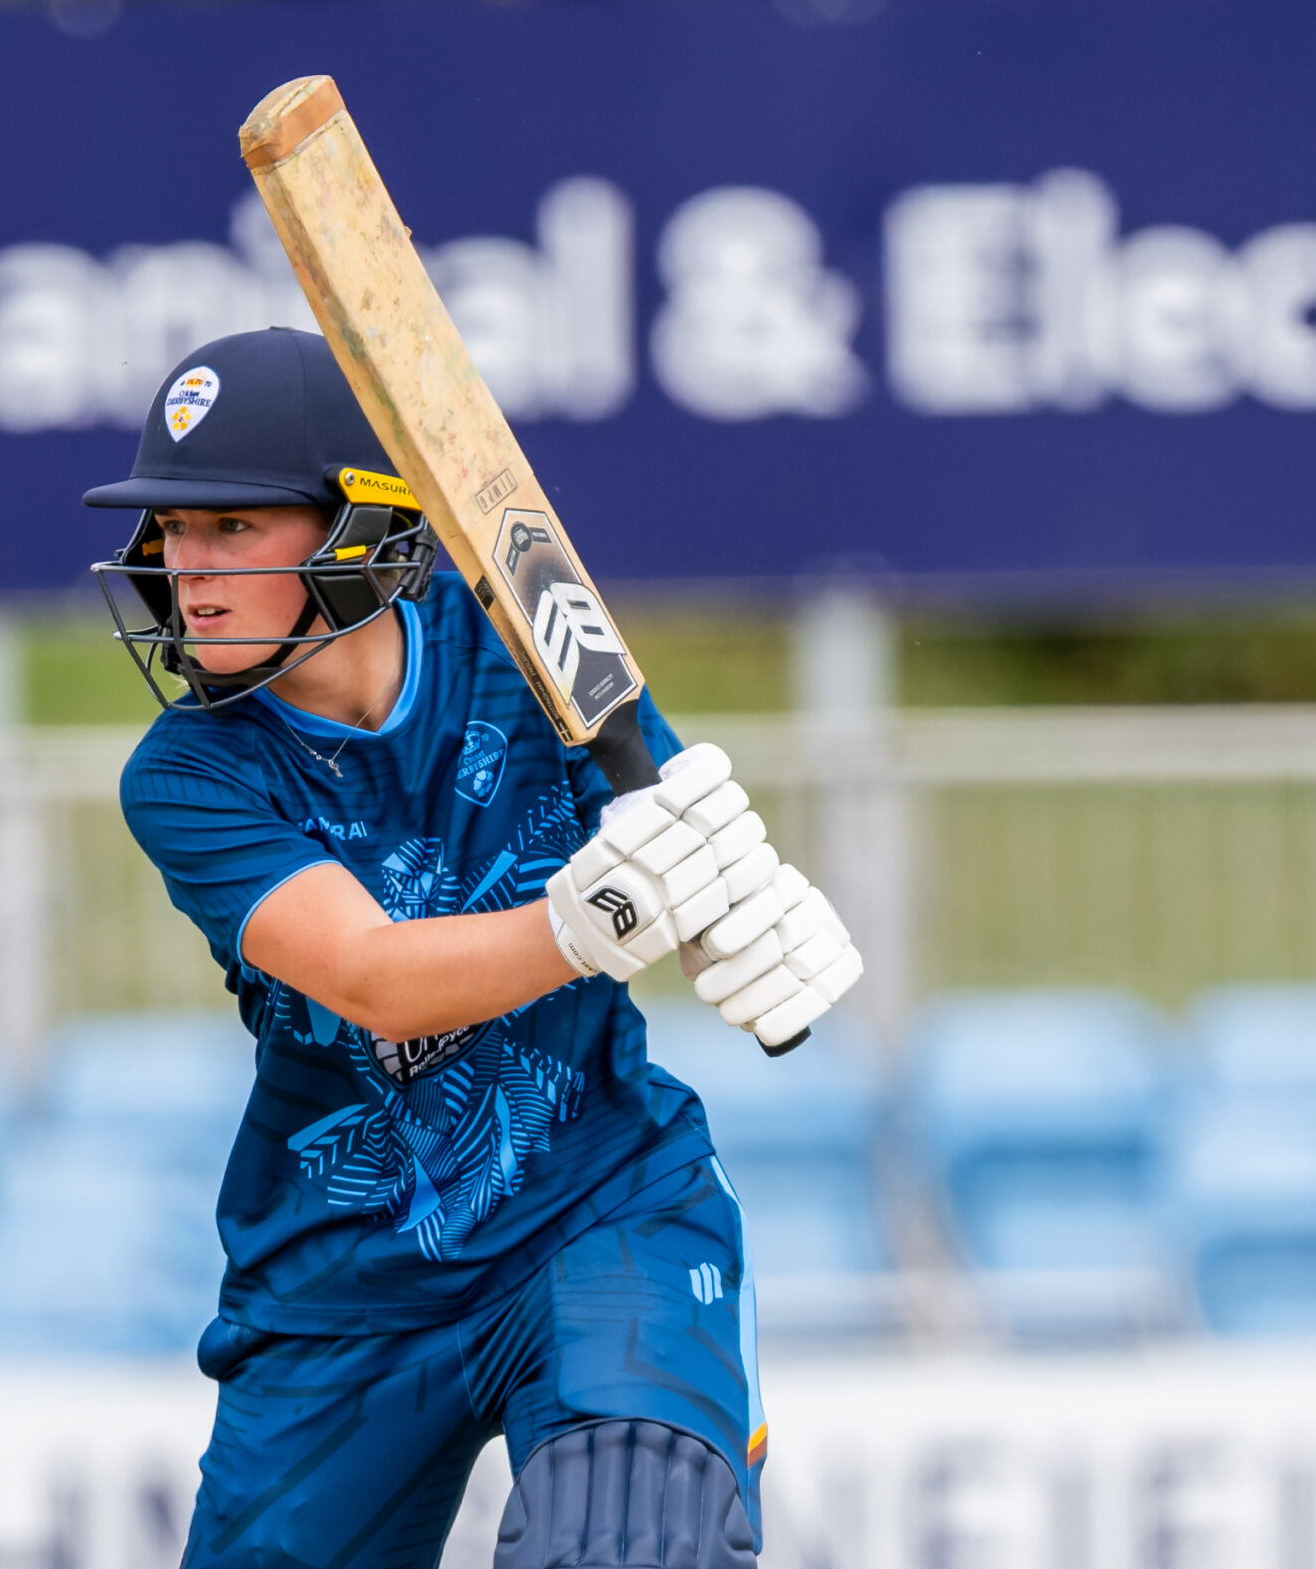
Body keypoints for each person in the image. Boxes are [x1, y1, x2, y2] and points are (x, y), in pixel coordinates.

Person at [84, 328, 862, 1569]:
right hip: (345, 1293)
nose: (189, 570)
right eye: (173, 530)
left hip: (595, 1208)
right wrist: (595, 922)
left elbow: (655, 825)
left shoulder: (525, 633)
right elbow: (372, 981)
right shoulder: (186, 774)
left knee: (629, 1543)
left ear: (352, 530)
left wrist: (739, 909)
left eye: (233, 528)